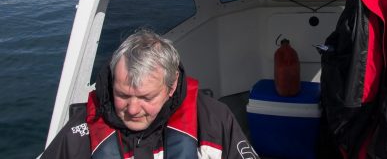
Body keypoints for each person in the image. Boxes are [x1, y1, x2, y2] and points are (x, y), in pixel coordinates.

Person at [41, 29, 258, 159]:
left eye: (146, 98)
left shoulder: (214, 121)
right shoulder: (79, 135)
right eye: (123, 95)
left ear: (171, 88)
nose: (133, 109)